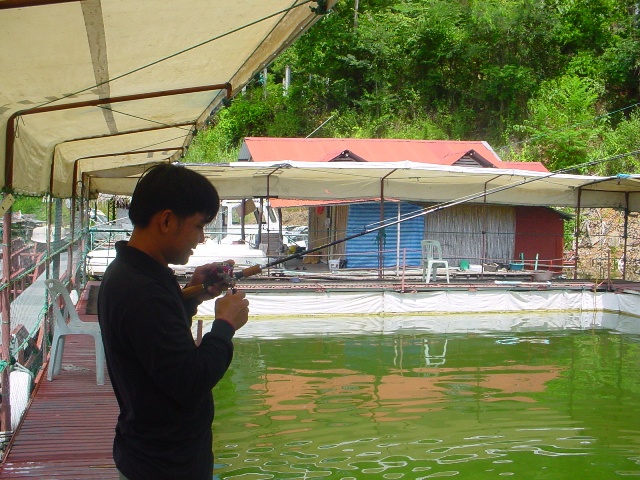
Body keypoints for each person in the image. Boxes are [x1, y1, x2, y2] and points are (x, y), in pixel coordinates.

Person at [97, 163, 250, 480]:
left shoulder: (134, 272)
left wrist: (194, 295)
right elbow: (190, 380)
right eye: (198, 226)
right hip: (164, 466)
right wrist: (225, 326)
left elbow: (154, 342)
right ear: (166, 220)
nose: (202, 238)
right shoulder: (142, 289)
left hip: (148, 453)